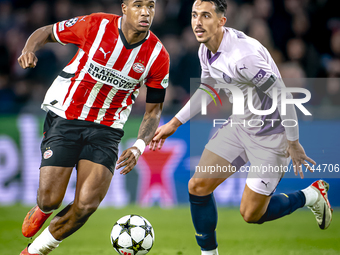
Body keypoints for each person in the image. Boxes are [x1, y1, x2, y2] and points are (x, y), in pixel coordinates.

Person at [150, 1, 333, 254]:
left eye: (205, 15)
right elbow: (208, 89)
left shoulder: (243, 56)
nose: (198, 22)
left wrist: (293, 141)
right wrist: (173, 123)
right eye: (194, 15)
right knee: (198, 186)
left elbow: (282, 97)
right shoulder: (206, 49)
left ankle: (311, 196)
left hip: (272, 135)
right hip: (240, 126)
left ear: (221, 21)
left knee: (251, 213)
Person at [18, 0, 169, 254]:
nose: (146, 12)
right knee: (50, 198)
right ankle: (43, 209)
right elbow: (45, 32)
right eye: (138, 5)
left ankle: (33, 252)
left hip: (107, 129)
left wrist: (139, 146)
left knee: (86, 205)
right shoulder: (96, 25)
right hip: (67, 116)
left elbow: (154, 111)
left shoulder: (157, 55)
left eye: (151, 6)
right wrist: (29, 49)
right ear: (124, 8)